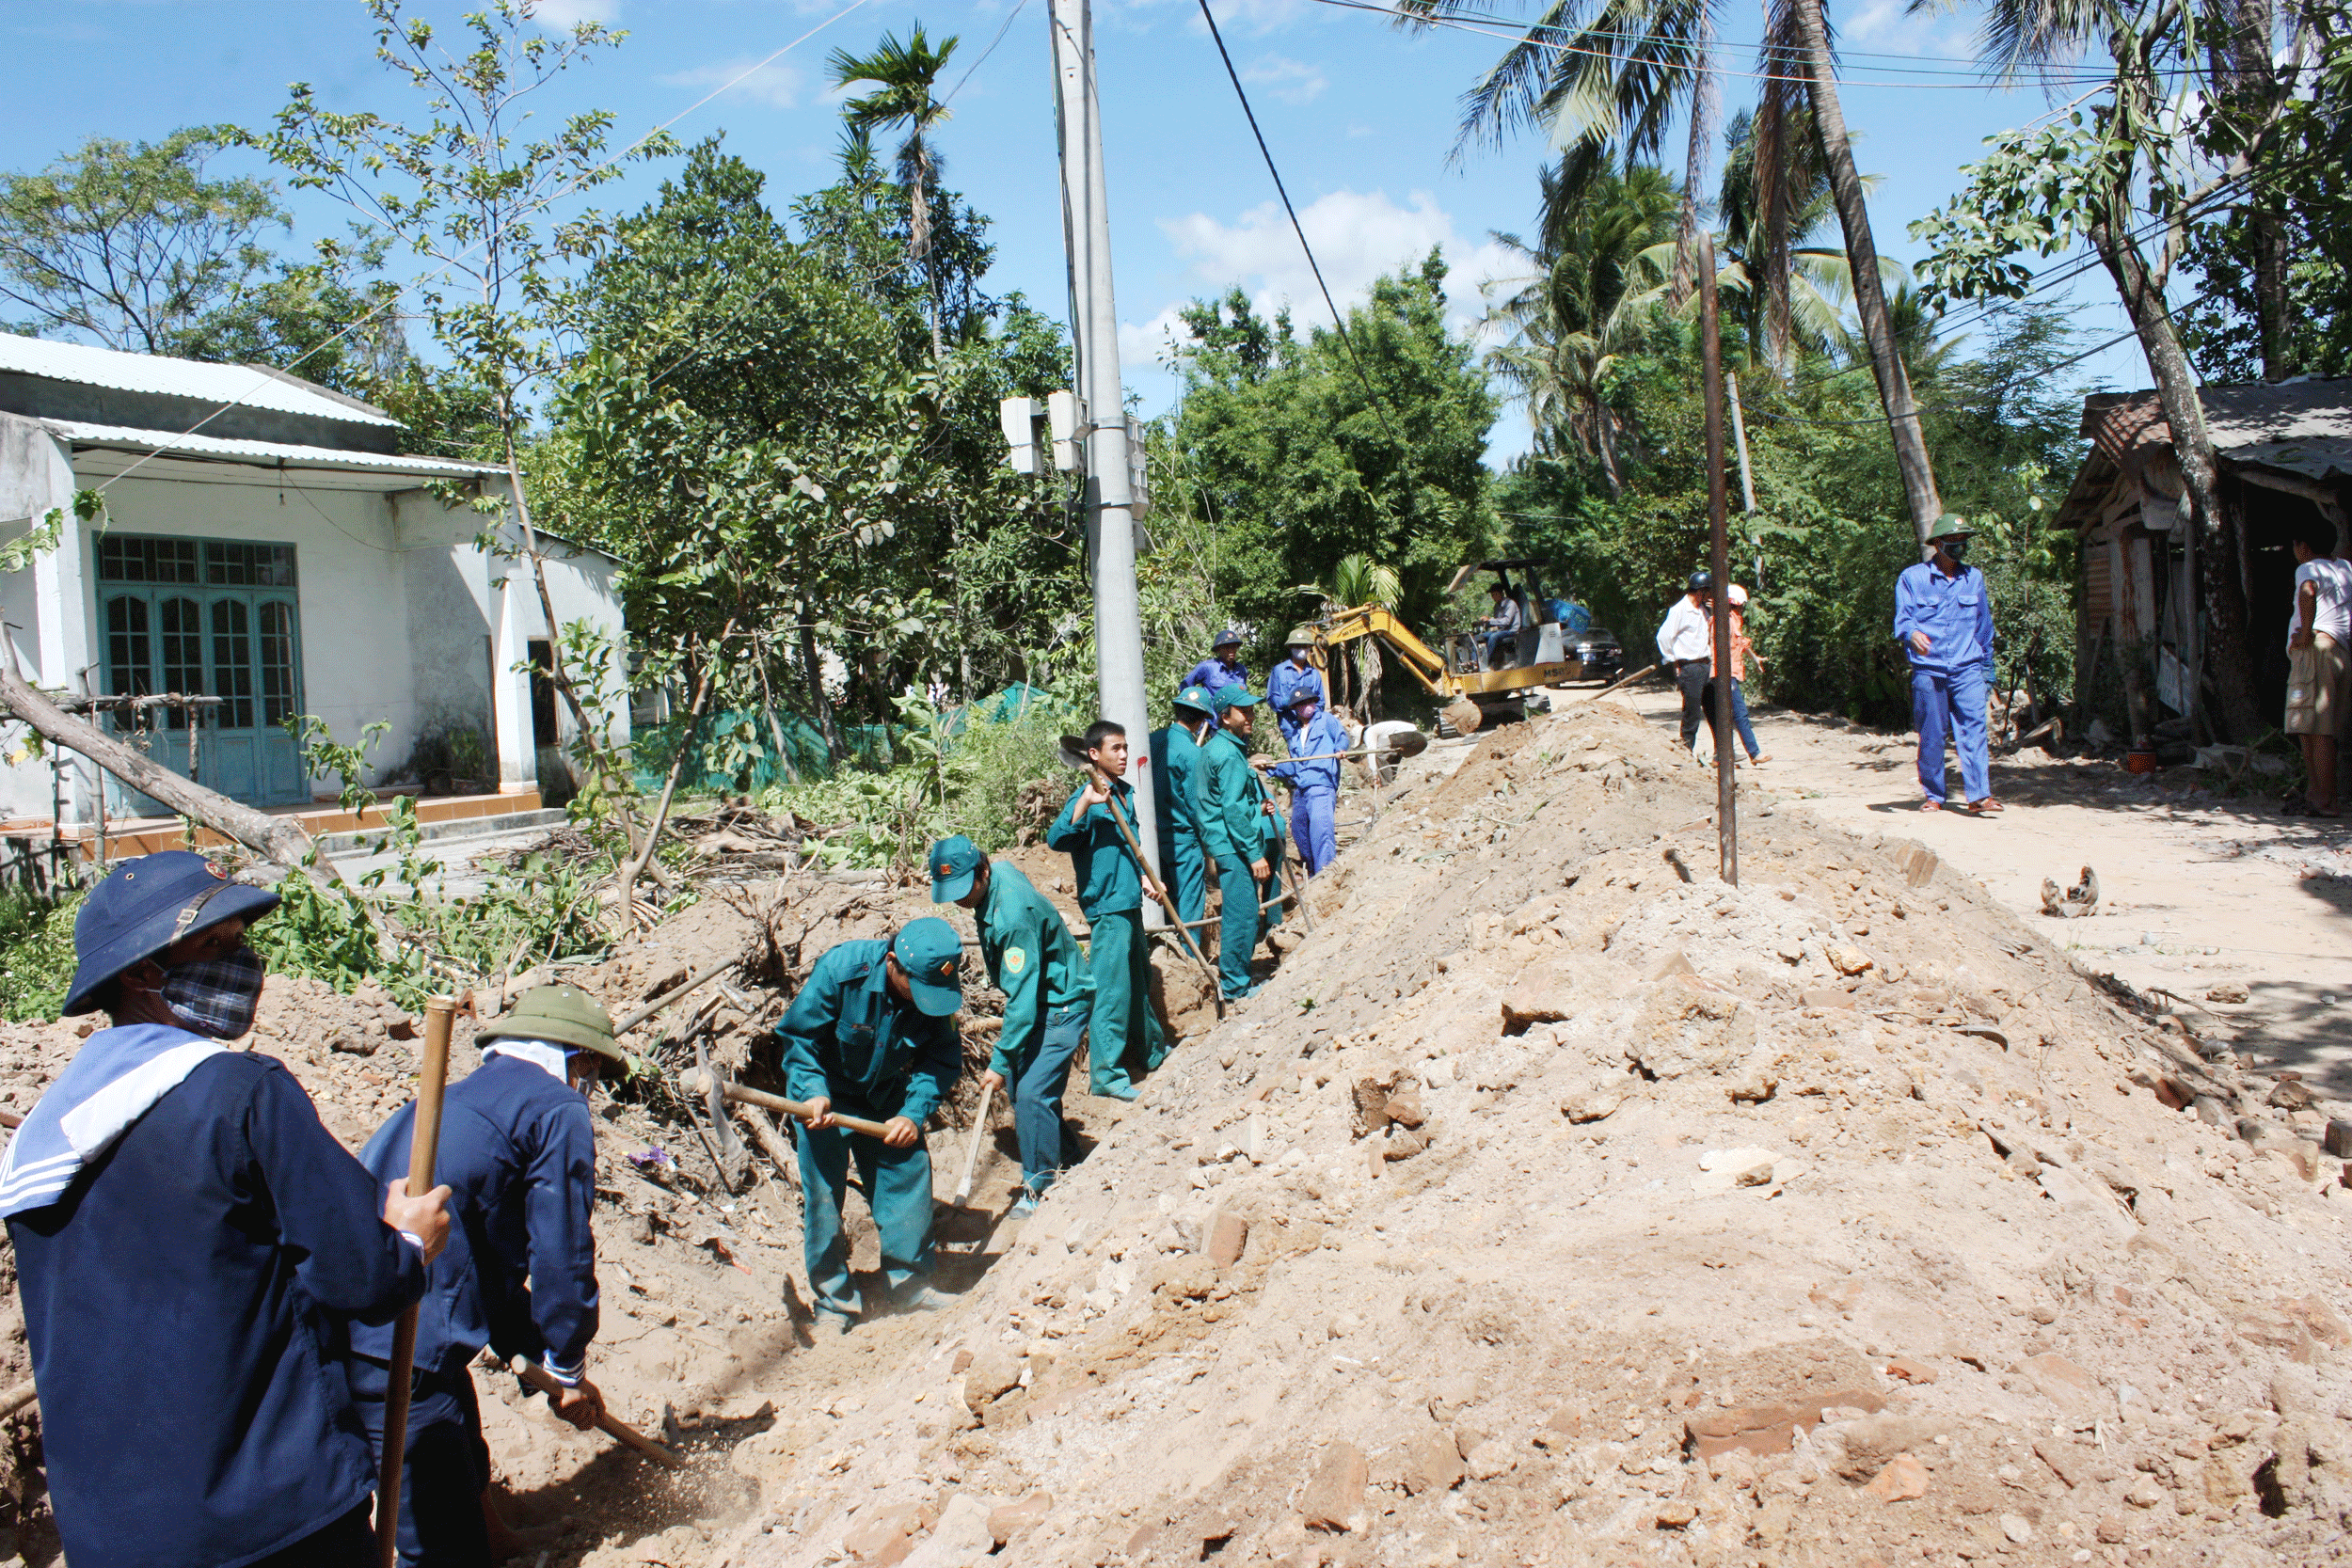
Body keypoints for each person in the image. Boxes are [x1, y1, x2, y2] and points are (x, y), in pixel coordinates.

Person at [0, 850, 451, 1568]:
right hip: (270, 1521)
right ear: (141, 972)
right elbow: (362, 1279)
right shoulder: (242, 1093)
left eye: (239, 939)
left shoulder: (39, 1143)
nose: (242, 962)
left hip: (113, 1538)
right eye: (214, 944)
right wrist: (408, 1241)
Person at [350, 983, 620, 1568]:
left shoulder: (447, 1103)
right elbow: (563, 1252)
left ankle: (499, 1543)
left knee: (462, 1454)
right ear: (576, 1058)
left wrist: (545, 1365)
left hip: (357, 1323)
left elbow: (486, 1270)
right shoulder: (556, 1108)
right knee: (442, 1544)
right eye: (593, 1067)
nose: (591, 1083)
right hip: (396, 1345)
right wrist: (568, 1361)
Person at [775, 919, 965, 1332]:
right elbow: (799, 1038)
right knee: (824, 1199)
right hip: (823, 1102)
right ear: (893, 963)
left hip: (886, 1098)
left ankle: (911, 1285)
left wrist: (913, 1113)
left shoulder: (934, 994)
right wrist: (812, 1090)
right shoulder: (842, 970)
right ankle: (834, 1303)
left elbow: (943, 1059)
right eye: (917, 989)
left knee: (907, 1174)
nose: (925, 1001)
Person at [931, 837, 1092, 1214]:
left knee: (1033, 1093)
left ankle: (1040, 1187)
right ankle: (1070, 1160)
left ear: (982, 871)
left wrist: (1000, 1061)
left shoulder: (1012, 917)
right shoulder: (999, 873)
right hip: (1040, 998)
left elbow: (1021, 999)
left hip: (1062, 1002)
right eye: (950, 892)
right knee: (1025, 1091)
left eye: (963, 889)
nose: (959, 900)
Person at [1046, 721, 1171, 1101]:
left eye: (1125, 747)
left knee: (1137, 981)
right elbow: (1057, 839)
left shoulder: (1125, 793)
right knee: (1112, 992)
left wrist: (1145, 879)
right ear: (1094, 755)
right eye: (1115, 748)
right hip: (1107, 906)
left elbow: (1124, 847)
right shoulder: (1086, 794)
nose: (1123, 754)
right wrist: (1086, 803)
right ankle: (1106, 1075)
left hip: (1129, 899)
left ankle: (1150, 1052)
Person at [1893, 515, 2000, 815]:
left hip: (1967, 668)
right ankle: (1935, 795)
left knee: (1974, 730)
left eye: (1963, 541)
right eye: (1953, 542)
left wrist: (1987, 667)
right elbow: (1902, 619)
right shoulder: (1912, 578)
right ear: (1937, 544)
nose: (1960, 546)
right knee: (1932, 733)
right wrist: (1912, 633)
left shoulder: (1974, 578)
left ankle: (1979, 795)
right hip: (1929, 669)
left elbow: (1984, 627)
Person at [1198, 689, 1285, 1001]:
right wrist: (1253, 853)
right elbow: (1231, 811)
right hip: (1233, 847)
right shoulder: (1227, 754)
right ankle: (1235, 986)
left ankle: (1236, 979)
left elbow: (1229, 804)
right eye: (1243, 712)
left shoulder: (1222, 749)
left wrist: (1257, 809)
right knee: (1243, 915)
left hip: (1227, 841)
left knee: (1243, 912)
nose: (1250, 717)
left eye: (1251, 711)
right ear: (1225, 717)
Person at [2284, 525, 2352, 817]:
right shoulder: (2346, 569)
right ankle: (2316, 794)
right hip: (2340, 652)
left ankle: (2325, 798)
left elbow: (2308, 591)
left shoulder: (2308, 568)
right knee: (2313, 728)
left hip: (2317, 652)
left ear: (2303, 546)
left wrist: (2307, 633)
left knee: (2316, 730)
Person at [1150, 686, 1216, 929]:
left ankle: (1164, 952)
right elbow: (1197, 806)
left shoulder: (1151, 740)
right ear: (1202, 721)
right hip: (1183, 841)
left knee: (1160, 901)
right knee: (1189, 909)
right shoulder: (1193, 754)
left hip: (1152, 837)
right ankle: (1190, 960)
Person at [1271, 692, 1349, 877]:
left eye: (1309, 701)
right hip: (1301, 788)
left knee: (1321, 832)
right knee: (1299, 831)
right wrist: (1272, 767)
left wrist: (1340, 749)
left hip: (1321, 785)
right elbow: (1294, 765)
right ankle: (1314, 872)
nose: (1306, 705)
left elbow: (1341, 737)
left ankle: (1326, 875)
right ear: (1295, 708)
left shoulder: (1326, 720)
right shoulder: (1296, 734)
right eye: (1301, 703)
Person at [1656, 572, 1718, 752]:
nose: (1709, 596)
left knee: (1714, 710)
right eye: (1707, 592)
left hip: (1706, 664)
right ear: (1700, 591)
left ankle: (1721, 751)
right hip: (1690, 667)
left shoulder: (1703, 610)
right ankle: (1686, 750)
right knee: (1692, 712)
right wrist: (1673, 660)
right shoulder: (1679, 610)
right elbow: (1664, 636)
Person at [1713, 584, 1772, 767]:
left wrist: (1755, 659)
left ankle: (1720, 755)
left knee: (1727, 714)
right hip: (1723, 674)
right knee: (1740, 713)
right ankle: (1754, 753)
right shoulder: (1724, 621)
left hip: (1728, 673)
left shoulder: (1733, 620)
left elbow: (1741, 644)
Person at [1265, 633, 1327, 750]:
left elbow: (1321, 702)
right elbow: (1272, 699)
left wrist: (1309, 718)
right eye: (1298, 646)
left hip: (1311, 727)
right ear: (1290, 647)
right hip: (1289, 726)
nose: (1302, 650)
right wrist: (1291, 702)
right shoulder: (1279, 671)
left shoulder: (1314, 674)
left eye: (1305, 646)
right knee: (1296, 756)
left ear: (1309, 648)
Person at [1183, 629, 1251, 731]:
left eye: (1234, 646)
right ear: (1218, 649)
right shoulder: (1207, 668)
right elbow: (1185, 686)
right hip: (1214, 726)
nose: (1231, 650)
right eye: (1227, 647)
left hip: (1238, 726)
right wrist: (1198, 713)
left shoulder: (1241, 670)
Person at [1477, 583, 1524, 670]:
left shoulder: (1510, 604)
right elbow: (1497, 623)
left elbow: (1506, 622)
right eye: (1492, 595)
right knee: (1480, 637)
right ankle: (1475, 662)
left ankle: (1488, 662)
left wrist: (1490, 620)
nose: (1493, 597)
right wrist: (1484, 622)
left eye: (1495, 594)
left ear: (1501, 593)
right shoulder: (1496, 606)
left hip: (1512, 631)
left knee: (1494, 637)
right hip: (1502, 631)